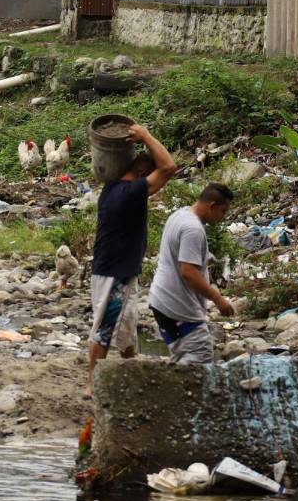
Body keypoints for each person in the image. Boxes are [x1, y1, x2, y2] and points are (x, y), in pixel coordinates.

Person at [86, 124, 177, 398]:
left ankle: (130, 370)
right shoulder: (129, 192)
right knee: (104, 326)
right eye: (150, 181)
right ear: (141, 174)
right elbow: (169, 167)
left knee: (126, 325)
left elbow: (163, 171)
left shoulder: (114, 188)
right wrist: (147, 136)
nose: (155, 189)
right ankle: (92, 384)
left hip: (119, 268)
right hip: (114, 271)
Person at [148, 183, 236, 364]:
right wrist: (217, 298)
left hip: (161, 302)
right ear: (211, 206)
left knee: (180, 358)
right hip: (178, 307)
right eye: (223, 211)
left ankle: (173, 389)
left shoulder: (179, 215)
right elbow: (188, 272)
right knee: (200, 358)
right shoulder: (193, 229)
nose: (223, 217)